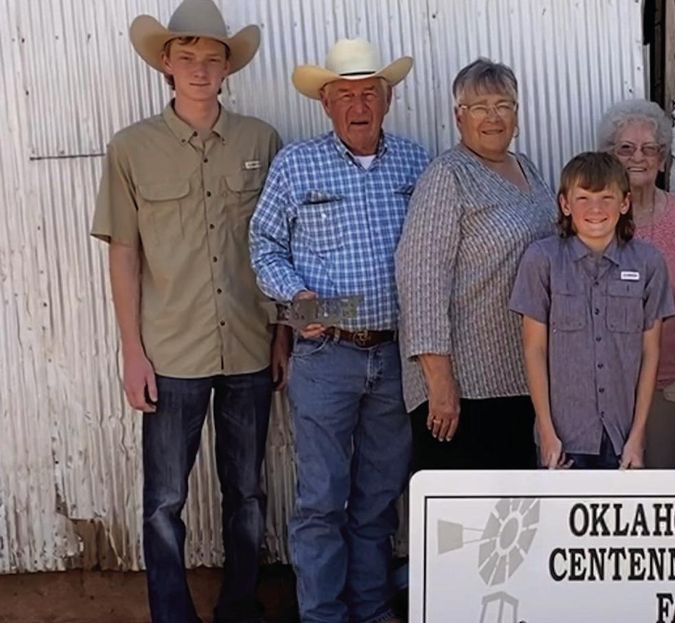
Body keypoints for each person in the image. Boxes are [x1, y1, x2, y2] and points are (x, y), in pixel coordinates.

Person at [91, 1, 286, 620]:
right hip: (171, 352)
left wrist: (281, 333)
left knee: (248, 493)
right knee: (164, 499)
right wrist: (131, 352)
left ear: (228, 68)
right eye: (187, 58)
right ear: (166, 66)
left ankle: (238, 606)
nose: (200, 69)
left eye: (212, 58)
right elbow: (124, 254)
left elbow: (283, 244)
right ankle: (172, 613)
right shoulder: (131, 149)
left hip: (252, 346)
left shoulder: (262, 140)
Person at [249, 38, 429, 623]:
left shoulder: (416, 162)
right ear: (326, 103)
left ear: (389, 97)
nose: (359, 106)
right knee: (322, 500)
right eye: (345, 95)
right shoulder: (297, 164)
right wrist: (301, 304)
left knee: (378, 500)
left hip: (395, 354)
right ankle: (323, 615)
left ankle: (372, 611)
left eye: (369, 93)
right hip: (326, 354)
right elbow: (263, 247)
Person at [396, 59, 555, 470]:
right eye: (479, 106)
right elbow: (421, 280)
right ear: (458, 117)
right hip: (465, 391)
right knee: (463, 525)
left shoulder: (529, 170)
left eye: (504, 104)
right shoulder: (447, 176)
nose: (493, 117)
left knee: (515, 519)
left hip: (521, 377)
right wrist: (440, 380)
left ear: (517, 115)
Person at [509, 152, 675, 469]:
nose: (595, 209)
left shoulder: (649, 263)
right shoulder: (541, 260)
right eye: (583, 198)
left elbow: (650, 353)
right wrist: (546, 431)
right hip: (563, 439)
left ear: (624, 203)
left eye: (606, 198)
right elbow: (534, 349)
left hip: (622, 439)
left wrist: (638, 436)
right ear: (565, 204)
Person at [597, 99, 675, 468]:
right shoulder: (594, 216)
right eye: (625, 148)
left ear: (663, 157)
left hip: (667, 381)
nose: (638, 157)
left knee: (662, 485)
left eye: (649, 148)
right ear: (608, 155)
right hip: (604, 382)